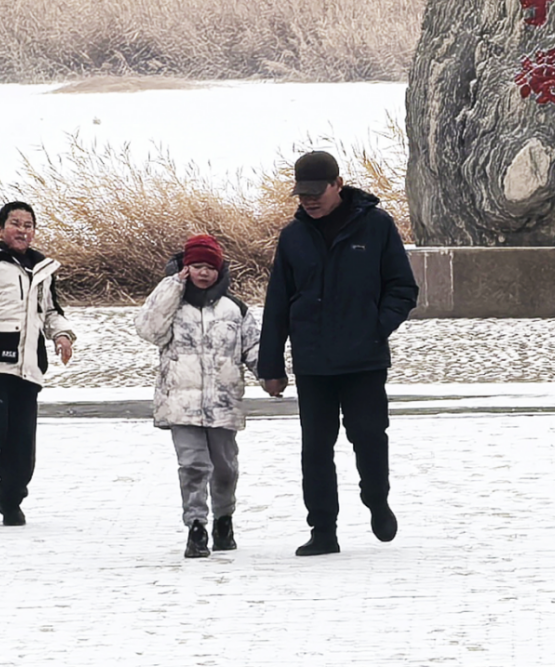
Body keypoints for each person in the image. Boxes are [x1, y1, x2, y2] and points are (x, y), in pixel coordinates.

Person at [258, 151, 418, 556]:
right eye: (302, 194)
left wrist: (375, 327)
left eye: (317, 192)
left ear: (338, 185)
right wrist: (271, 366)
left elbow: (402, 288)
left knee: (369, 437)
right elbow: (277, 305)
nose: (309, 200)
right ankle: (323, 531)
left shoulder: (376, 226)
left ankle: (376, 500)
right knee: (315, 449)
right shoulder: (293, 237)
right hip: (313, 363)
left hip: (364, 360)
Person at [134, 234, 260, 558]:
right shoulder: (171, 307)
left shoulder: (235, 309)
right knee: (193, 465)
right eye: (197, 266)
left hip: (223, 404)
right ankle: (196, 527)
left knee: (225, 467)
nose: (204, 273)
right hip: (181, 404)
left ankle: (224, 520)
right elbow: (148, 329)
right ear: (184, 268)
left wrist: (272, 375)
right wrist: (172, 286)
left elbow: (254, 347)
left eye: (210, 267)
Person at [0, 201, 75, 525]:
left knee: (21, 443)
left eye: (28, 225)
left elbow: (50, 311)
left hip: (29, 367)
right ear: (0, 229)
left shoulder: (42, 269)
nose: (22, 230)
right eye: (15, 224)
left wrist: (62, 335)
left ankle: (10, 502)